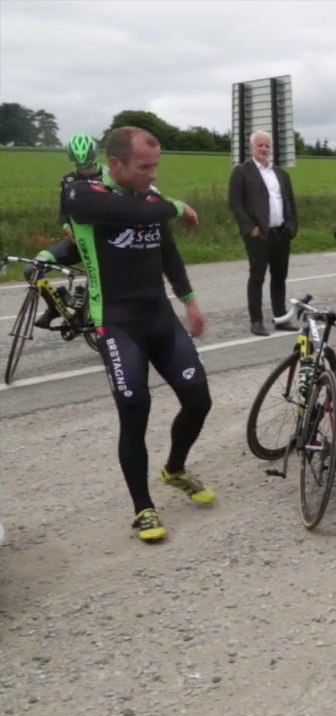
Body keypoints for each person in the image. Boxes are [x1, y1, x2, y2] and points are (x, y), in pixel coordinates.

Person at [63, 126, 214, 543]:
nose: (152, 174)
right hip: (117, 322)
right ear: (116, 164)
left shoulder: (152, 199)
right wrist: (175, 205)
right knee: (135, 408)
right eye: (144, 167)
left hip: (159, 317)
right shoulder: (83, 196)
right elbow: (137, 214)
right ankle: (143, 508)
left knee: (199, 400)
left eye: (156, 166)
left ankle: (175, 469)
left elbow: (168, 251)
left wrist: (190, 299)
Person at [228, 130, 300, 336]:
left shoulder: (281, 174)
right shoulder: (242, 172)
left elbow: (290, 202)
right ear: (252, 148)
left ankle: (281, 318)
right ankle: (256, 321)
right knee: (257, 277)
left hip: (281, 232)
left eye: (267, 145)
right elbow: (235, 204)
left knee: (279, 277)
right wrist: (250, 228)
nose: (264, 149)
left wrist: (292, 226)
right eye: (260, 145)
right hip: (258, 234)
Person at [29, 134, 101, 329]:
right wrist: (66, 227)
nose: (84, 171)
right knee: (33, 268)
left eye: (88, 166)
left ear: (96, 158)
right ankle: (56, 308)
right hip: (76, 242)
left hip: (104, 244)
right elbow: (64, 211)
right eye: (79, 166)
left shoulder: (111, 177)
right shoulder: (68, 180)